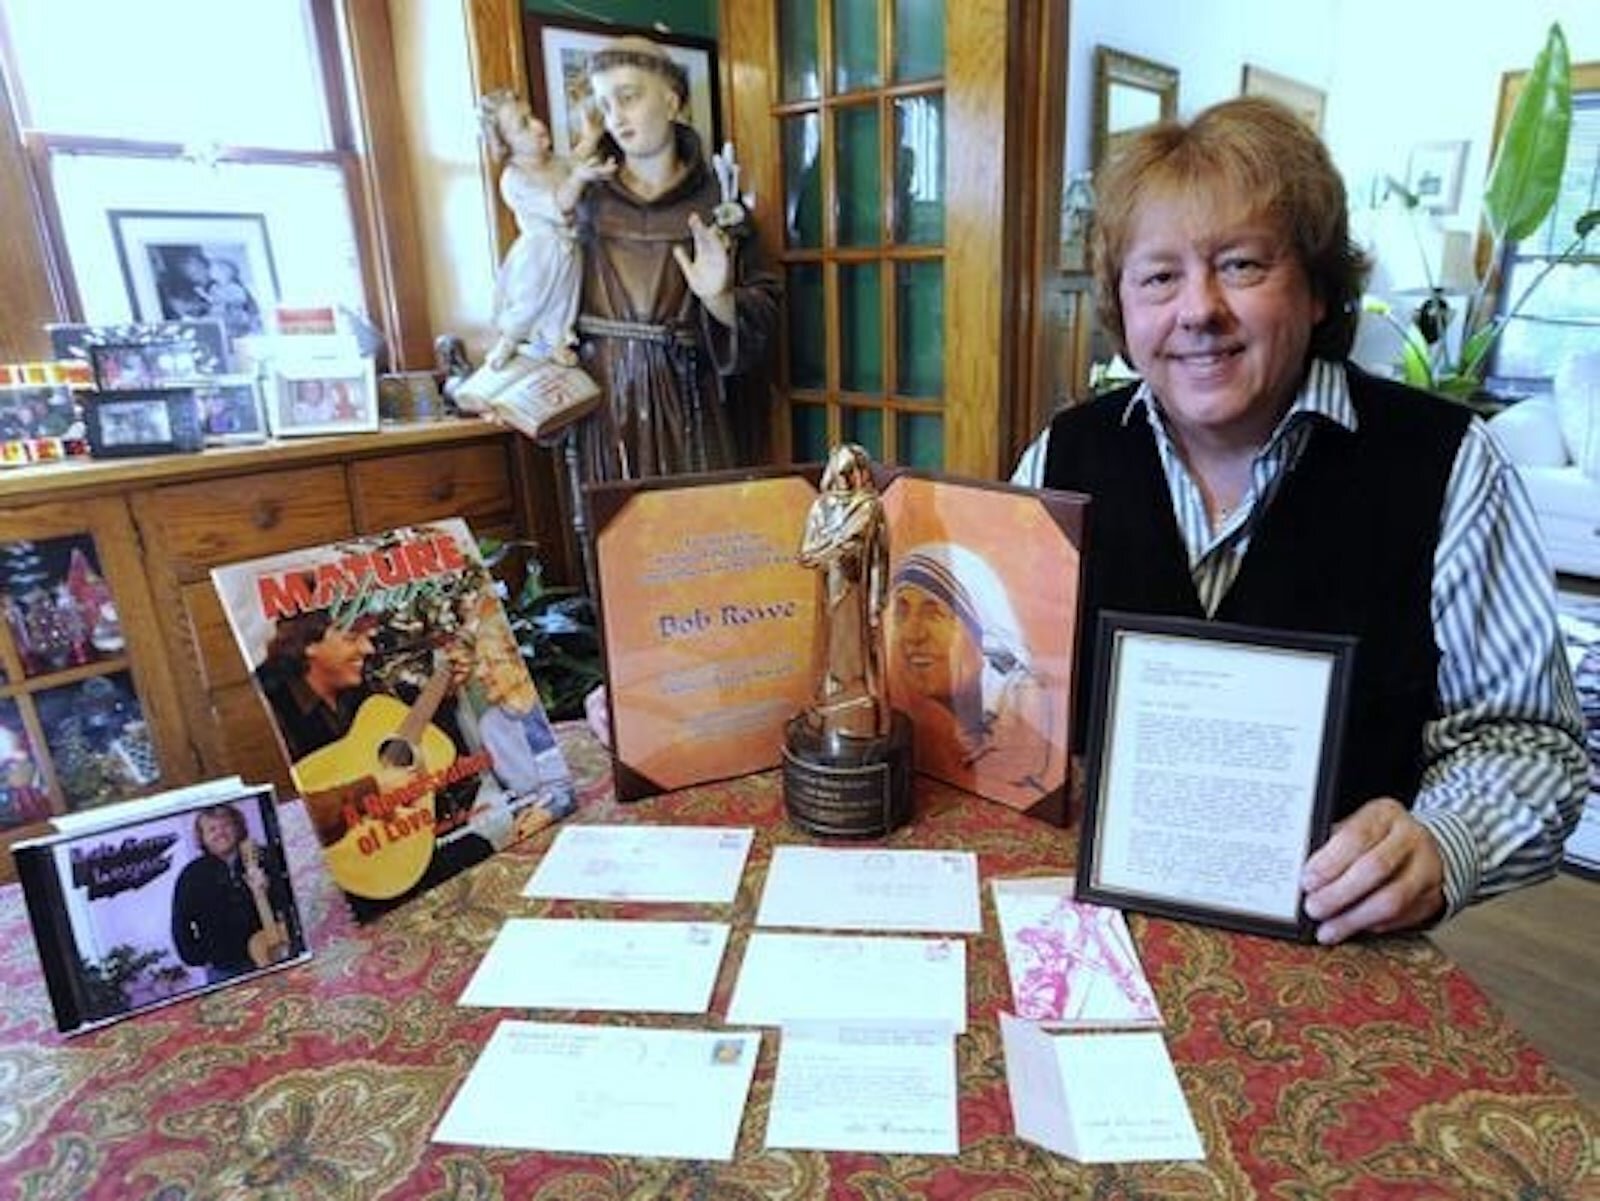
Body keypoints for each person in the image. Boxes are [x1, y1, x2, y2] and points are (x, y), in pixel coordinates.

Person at [1012, 97, 1586, 944]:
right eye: (1159, 276)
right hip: (1091, 931)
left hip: (1330, 950)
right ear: (1124, 311)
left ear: (1318, 287)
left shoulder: (1448, 463)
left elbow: (1531, 743)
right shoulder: (1060, 457)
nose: (1198, 309)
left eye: (1240, 265)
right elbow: (999, 687)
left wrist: (1441, 841)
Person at [571, 35, 780, 483]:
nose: (617, 119)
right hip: (606, 400)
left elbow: (764, 319)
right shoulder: (585, 203)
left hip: (693, 400)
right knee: (615, 534)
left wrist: (721, 299)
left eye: (629, 97)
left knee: (693, 538)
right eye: (606, 105)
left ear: (670, 100)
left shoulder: (718, 202)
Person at [889, 542, 1055, 803]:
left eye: (934, 614)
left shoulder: (1024, 707)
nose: (912, 635)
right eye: (902, 611)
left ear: (984, 630)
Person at [476, 91, 613, 370]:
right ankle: (509, 340)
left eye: (532, 117)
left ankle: (553, 344)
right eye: (523, 125)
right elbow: (560, 203)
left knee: (563, 305)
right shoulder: (514, 179)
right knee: (529, 304)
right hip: (539, 256)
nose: (538, 125)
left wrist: (591, 136)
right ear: (505, 143)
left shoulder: (554, 162)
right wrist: (579, 178)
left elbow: (575, 159)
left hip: (567, 250)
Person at [797, 443, 890, 743]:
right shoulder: (820, 507)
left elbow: (880, 557)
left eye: (852, 470)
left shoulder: (871, 506)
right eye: (841, 470)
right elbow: (805, 556)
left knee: (861, 652)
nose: (846, 477)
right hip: (829, 592)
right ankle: (827, 704)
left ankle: (864, 707)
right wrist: (837, 546)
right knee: (828, 649)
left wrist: (879, 598)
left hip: (860, 594)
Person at [170, 803, 291, 983]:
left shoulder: (267, 856)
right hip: (226, 970)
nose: (220, 833)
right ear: (202, 837)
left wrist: (269, 886)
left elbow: (292, 901)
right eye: (212, 829)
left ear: (238, 827)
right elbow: (180, 925)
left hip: (277, 952)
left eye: (226, 825)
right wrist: (204, 956)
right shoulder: (191, 876)